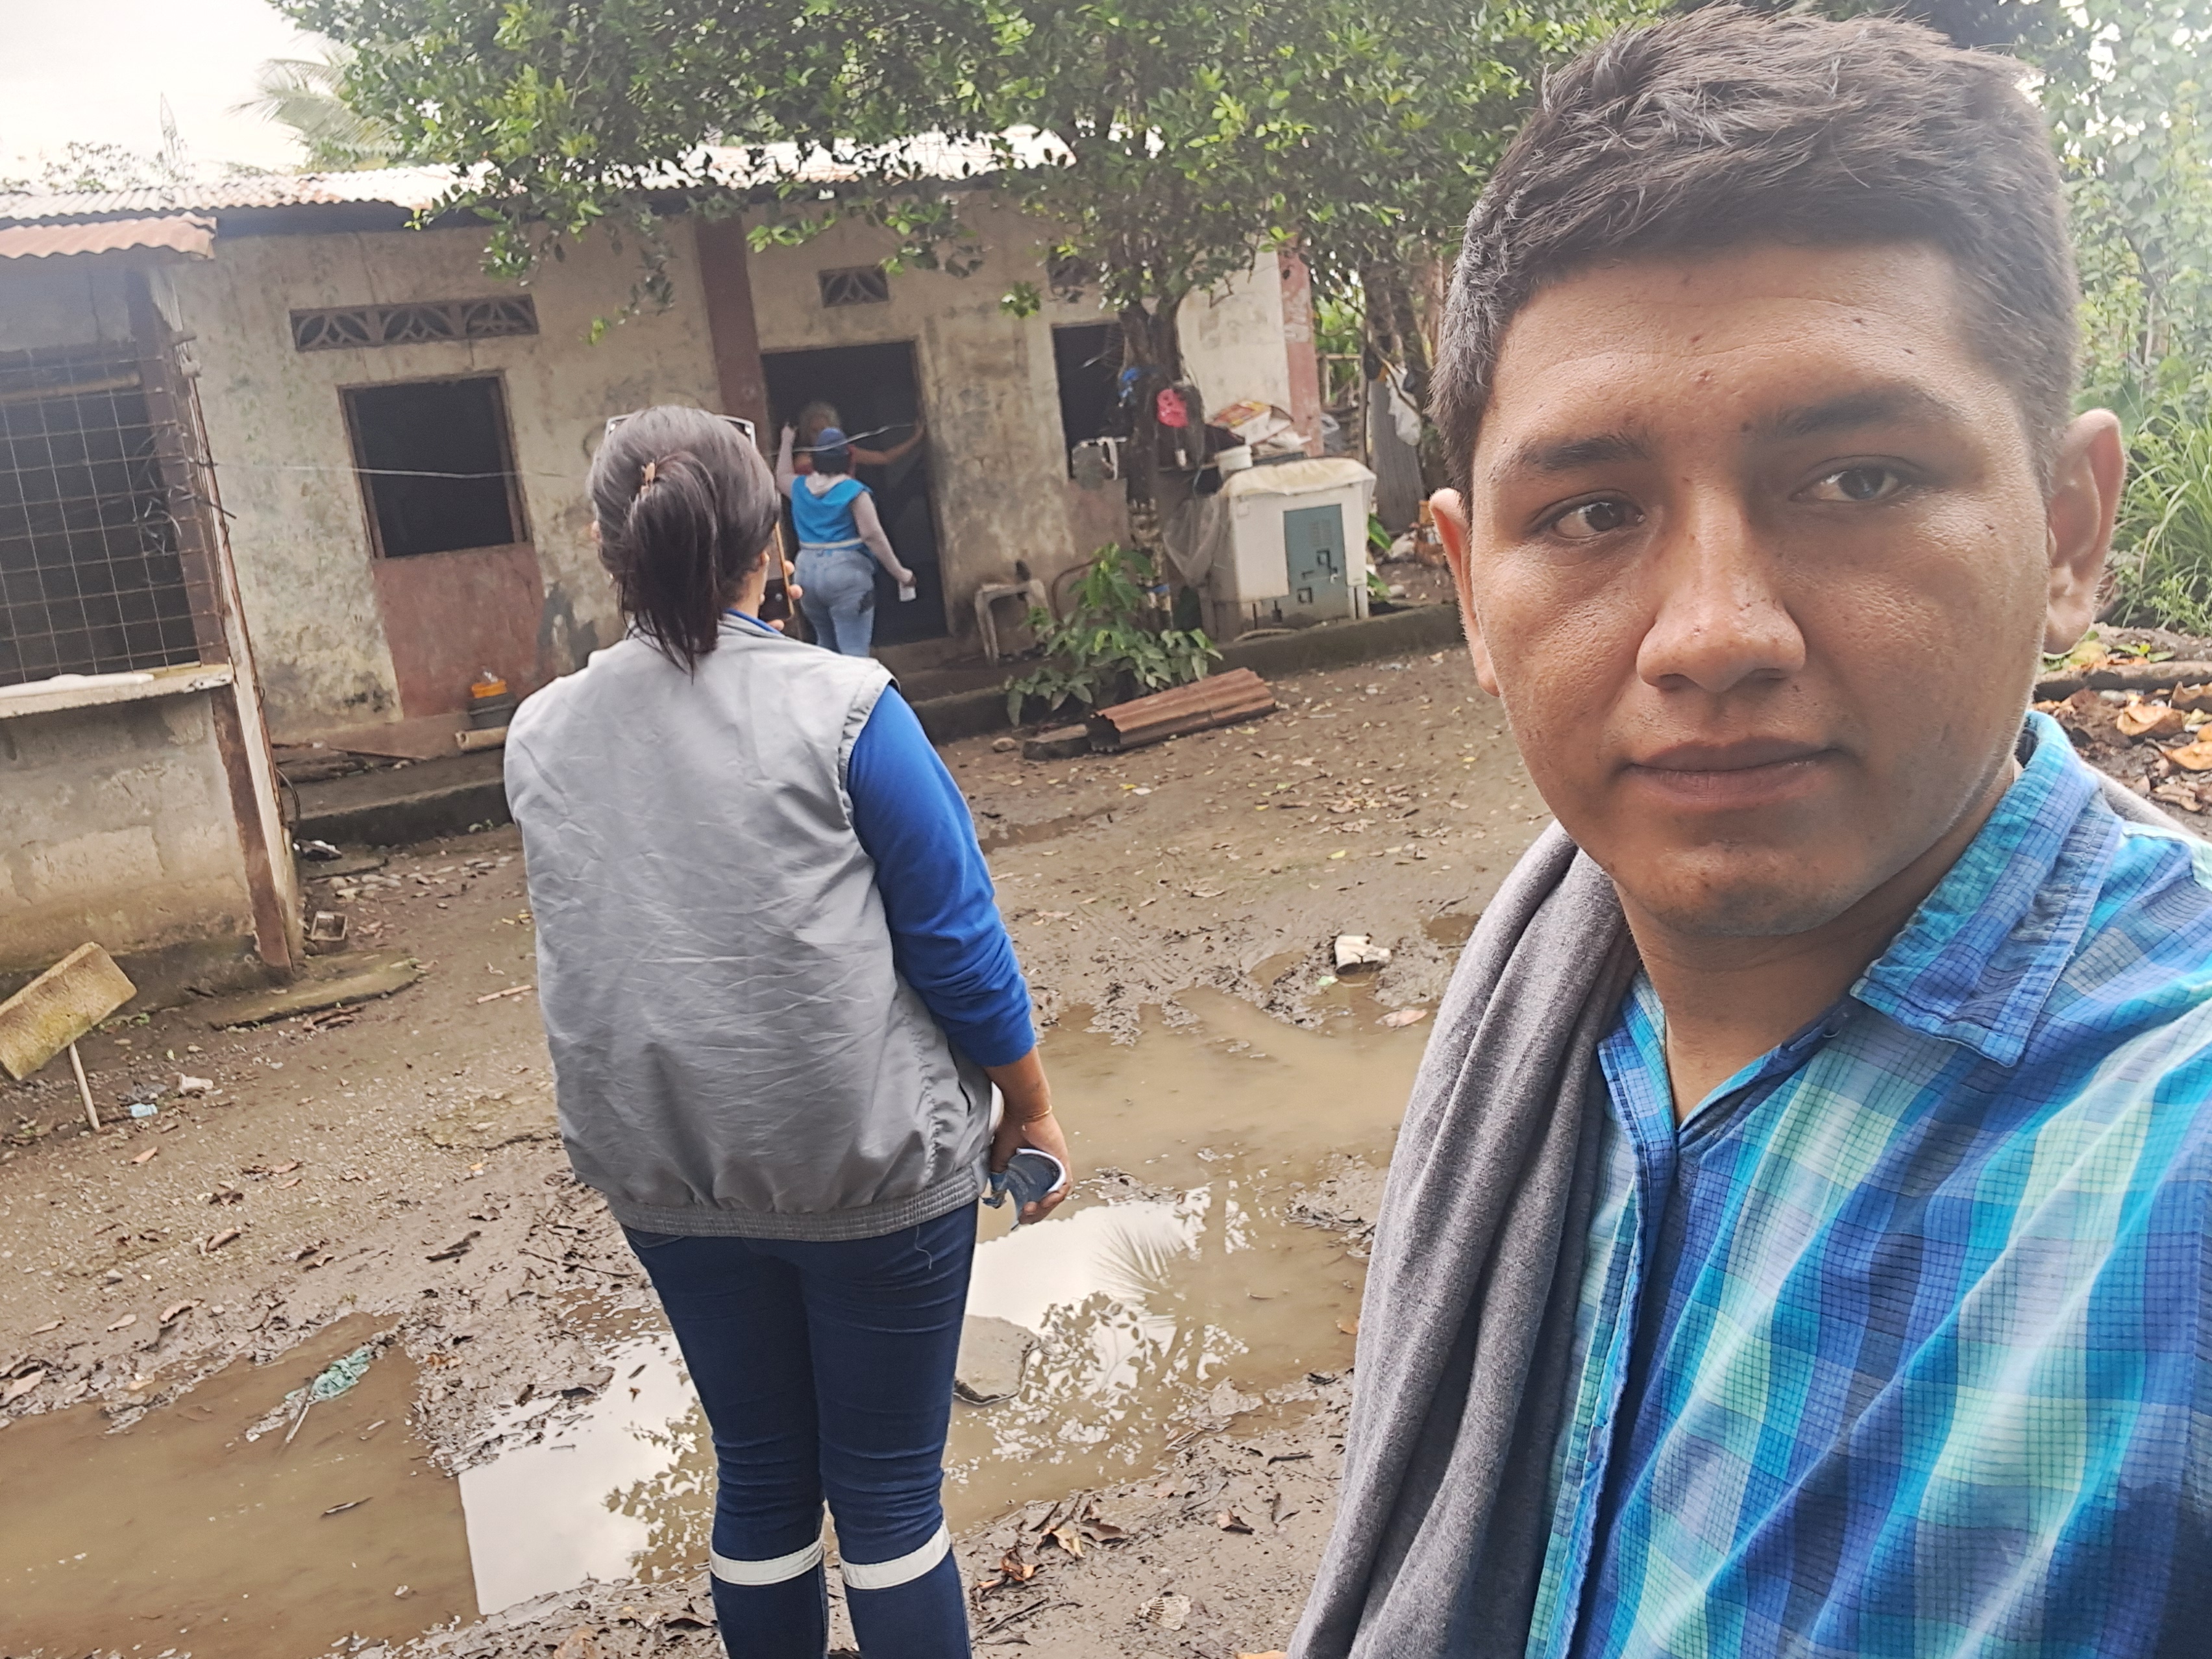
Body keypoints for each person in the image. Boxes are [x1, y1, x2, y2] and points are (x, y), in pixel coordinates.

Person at [1292, 12, 2211, 1659]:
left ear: (2067, 534)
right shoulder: (1551, 1026)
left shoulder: (2166, 1166)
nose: (1713, 634)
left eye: (1856, 479)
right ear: (1471, 591)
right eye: (1591, 513)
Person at [505, 406, 1072, 1659]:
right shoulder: (849, 709)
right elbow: (957, 944)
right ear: (770, 547)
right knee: (886, 1496)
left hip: (670, 1177)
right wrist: (1028, 1106)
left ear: (605, 549)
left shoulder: (539, 735)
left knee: (761, 1471)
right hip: (866, 1169)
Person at [778, 421, 916, 657]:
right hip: (845, 576)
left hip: (806, 574)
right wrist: (901, 574)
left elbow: (781, 476)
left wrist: (786, 441)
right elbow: (872, 535)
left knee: (826, 647)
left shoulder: (798, 487)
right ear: (847, 459)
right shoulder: (855, 492)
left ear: (815, 459)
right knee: (854, 651)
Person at [791, 398, 928, 473]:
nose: (820, 435)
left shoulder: (847, 452)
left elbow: (885, 458)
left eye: (824, 429)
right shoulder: (802, 460)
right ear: (806, 433)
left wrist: (916, 438)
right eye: (814, 431)